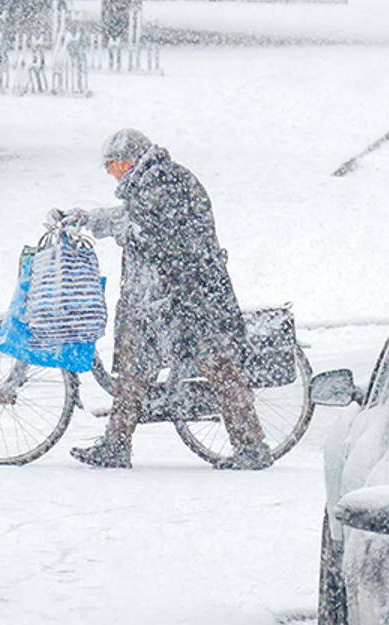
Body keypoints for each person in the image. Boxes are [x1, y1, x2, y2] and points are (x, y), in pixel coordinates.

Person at [56, 128, 270, 470]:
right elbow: (131, 219)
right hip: (162, 297)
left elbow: (156, 234)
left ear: (132, 161)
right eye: (110, 168)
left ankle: (252, 447)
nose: (113, 174)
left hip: (191, 295)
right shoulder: (150, 182)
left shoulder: (165, 181)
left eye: (115, 166)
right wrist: (87, 218)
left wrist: (120, 231)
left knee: (215, 365)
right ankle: (116, 444)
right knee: (133, 368)